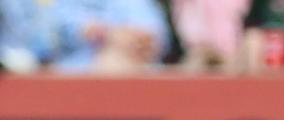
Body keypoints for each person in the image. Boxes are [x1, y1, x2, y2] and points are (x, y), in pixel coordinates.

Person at [0, 0, 168, 69]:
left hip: (100, 87)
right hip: (27, 88)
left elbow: (148, 39)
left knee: (115, 62)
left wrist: (105, 34)